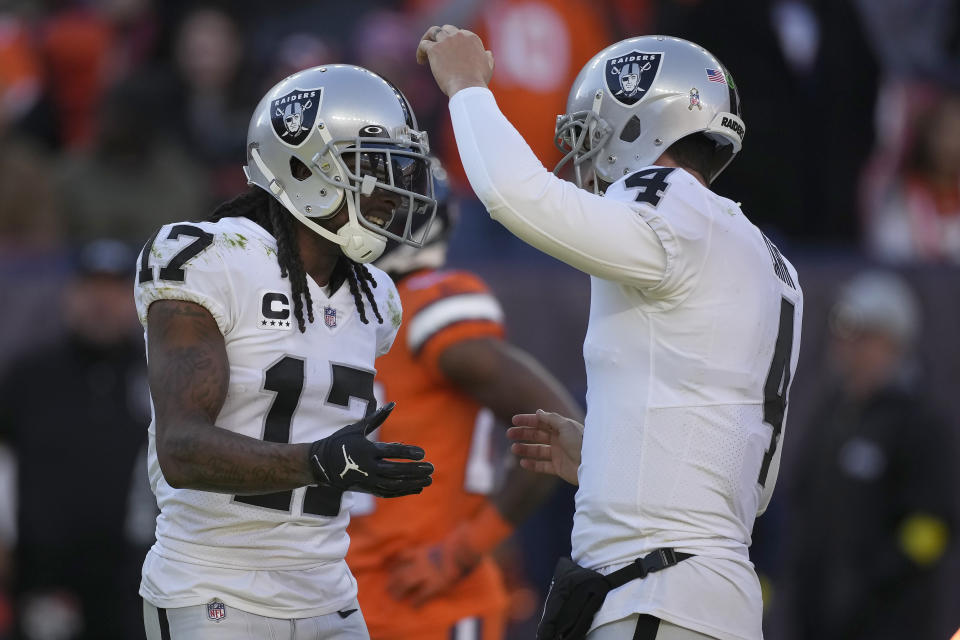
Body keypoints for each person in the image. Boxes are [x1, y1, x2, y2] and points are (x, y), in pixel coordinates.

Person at [418, 28, 804, 640]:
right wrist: (608, 458)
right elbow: (736, 471)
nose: (586, 157)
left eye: (592, 135)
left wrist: (466, 88)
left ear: (638, 128)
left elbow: (517, 196)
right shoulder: (766, 259)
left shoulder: (669, 200)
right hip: (708, 593)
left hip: (657, 595)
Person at [135, 64, 437, 639]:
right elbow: (181, 450)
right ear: (304, 167)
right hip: (214, 590)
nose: (392, 189)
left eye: (399, 167)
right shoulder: (208, 258)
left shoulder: (376, 297)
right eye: (370, 166)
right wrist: (317, 463)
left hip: (331, 595)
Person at [345, 165, 583, 640]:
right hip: (343, 597)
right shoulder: (342, 314)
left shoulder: (430, 303)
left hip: (426, 603)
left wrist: (463, 549)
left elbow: (558, 430)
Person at [784, 271, 956, 640]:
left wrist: (872, 582)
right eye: (843, 335)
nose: (848, 347)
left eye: (863, 337)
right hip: (817, 621)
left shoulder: (920, 423)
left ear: (894, 343)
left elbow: (932, 526)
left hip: (890, 623)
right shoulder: (829, 416)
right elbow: (801, 502)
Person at [0, 238, 150, 639]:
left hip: (136, 571)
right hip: (47, 571)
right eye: (90, 288)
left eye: (114, 289)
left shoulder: (159, 376)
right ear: (70, 295)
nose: (101, 302)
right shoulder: (30, 374)